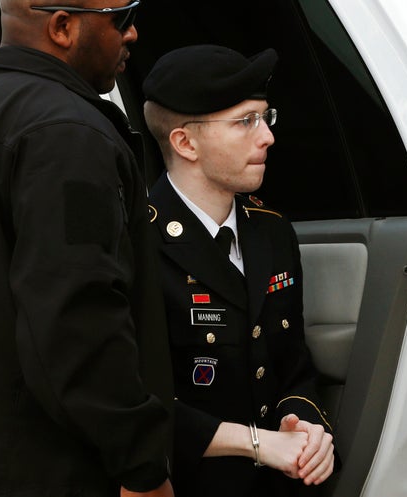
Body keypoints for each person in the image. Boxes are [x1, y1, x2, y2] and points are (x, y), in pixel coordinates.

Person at [0, 1, 175, 496]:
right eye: (123, 17)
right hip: (40, 469)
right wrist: (142, 467)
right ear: (62, 27)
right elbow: (79, 323)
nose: (134, 33)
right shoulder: (69, 134)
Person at [141, 44, 338, 497]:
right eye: (245, 121)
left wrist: (304, 427)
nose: (266, 136)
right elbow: (134, 401)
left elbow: (293, 364)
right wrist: (257, 444)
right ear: (185, 143)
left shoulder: (271, 232)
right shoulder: (137, 242)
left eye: (266, 117)